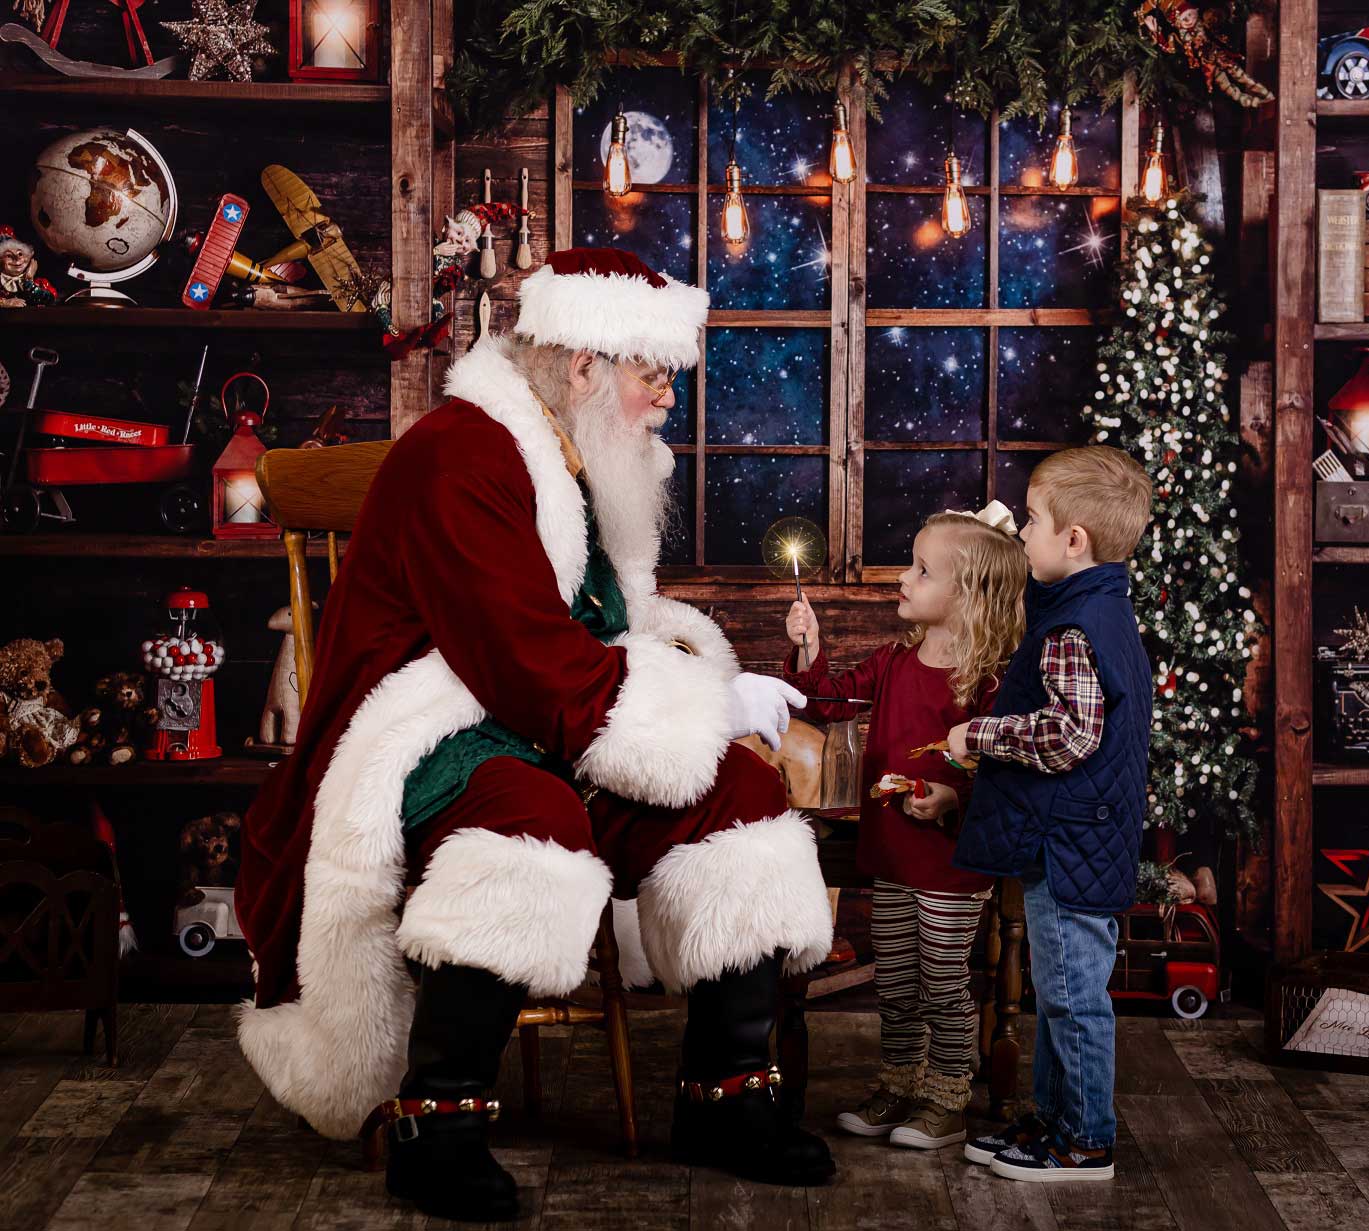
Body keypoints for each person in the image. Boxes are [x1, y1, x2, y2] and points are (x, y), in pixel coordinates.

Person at [234, 248, 837, 1222]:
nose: (665, 401)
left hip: (545, 713)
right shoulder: (458, 456)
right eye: (653, 375)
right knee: (529, 814)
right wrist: (691, 701)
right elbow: (522, 661)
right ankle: (441, 1123)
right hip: (427, 722)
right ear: (584, 363)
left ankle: (724, 1099)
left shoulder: (585, 455)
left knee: (742, 793)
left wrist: (705, 687)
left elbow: (596, 634)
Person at [783, 504, 1028, 1150]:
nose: (903, 577)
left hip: (949, 863)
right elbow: (828, 700)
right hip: (892, 855)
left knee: (942, 984)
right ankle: (899, 1083)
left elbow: (1002, 768)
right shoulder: (892, 662)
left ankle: (945, 1096)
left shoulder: (989, 681)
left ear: (965, 594)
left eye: (921, 570)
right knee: (894, 981)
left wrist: (952, 794)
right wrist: (808, 648)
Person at [947, 445, 1153, 1183]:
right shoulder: (1093, 605)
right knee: (1061, 990)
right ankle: (1054, 1116)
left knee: (1070, 997)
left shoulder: (1073, 630)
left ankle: (1085, 1138)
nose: (1023, 534)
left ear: (1074, 541)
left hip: (1070, 839)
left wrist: (977, 734)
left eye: (1032, 521)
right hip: (1080, 833)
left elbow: (1068, 733)